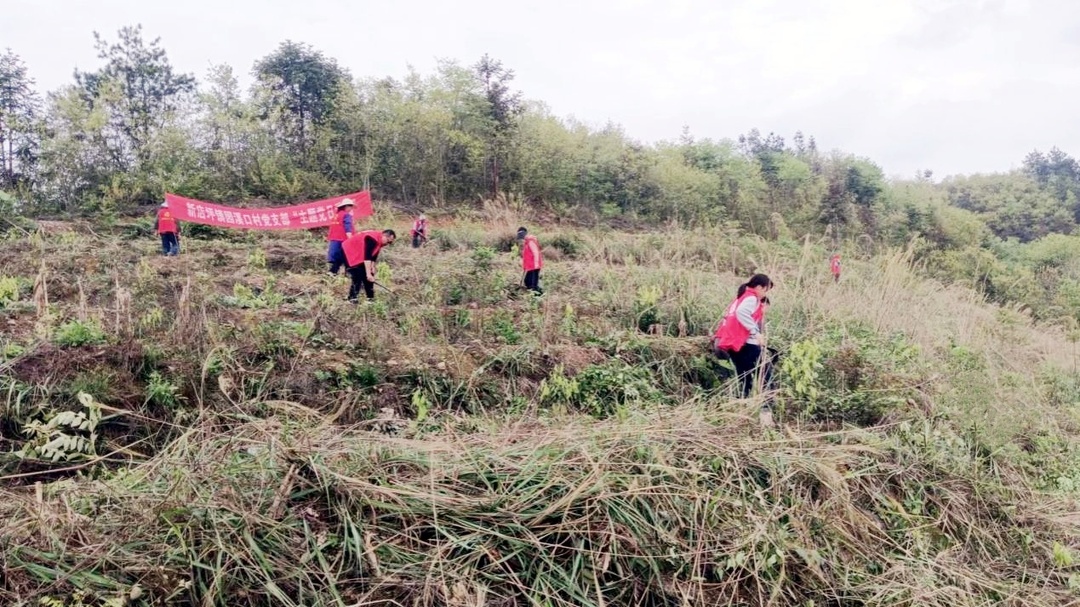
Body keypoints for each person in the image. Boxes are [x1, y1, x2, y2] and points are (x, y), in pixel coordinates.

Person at [714, 274, 774, 399]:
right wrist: (755, 333)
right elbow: (741, 313)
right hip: (744, 343)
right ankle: (767, 404)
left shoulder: (741, 297)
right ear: (758, 287)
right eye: (765, 290)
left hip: (733, 343)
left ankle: (743, 401)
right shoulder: (751, 298)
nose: (765, 294)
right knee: (765, 372)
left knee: (744, 376)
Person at [342, 229, 396, 302]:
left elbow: (373, 255)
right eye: (388, 241)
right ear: (384, 236)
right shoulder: (372, 239)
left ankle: (370, 298)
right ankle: (352, 298)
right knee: (358, 274)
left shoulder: (379, 240)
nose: (388, 243)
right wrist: (368, 274)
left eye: (390, 242)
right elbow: (367, 257)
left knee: (369, 273)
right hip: (350, 250)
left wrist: (372, 267)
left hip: (360, 252)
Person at [326, 198, 355, 275]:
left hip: (334, 239)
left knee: (337, 256)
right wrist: (351, 239)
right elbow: (348, 228)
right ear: (346, 206)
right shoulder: (346, 215)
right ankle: (347, 273)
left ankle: (332, 272)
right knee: (346, 256)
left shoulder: (336, 215)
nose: (351, 208)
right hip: (343, 239)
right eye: (351, 207)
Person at [517, 226, 543, 295]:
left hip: (534, 266)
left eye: (520, 239)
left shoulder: (531, 241)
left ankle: (538, 296)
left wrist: (536, 265)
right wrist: (524, 265)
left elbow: (536, 253)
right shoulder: (526, 243)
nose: (520, 241)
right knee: (527, 281)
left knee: (532, 285)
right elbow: (527, 256)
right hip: (530, 266)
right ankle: (535, 294)